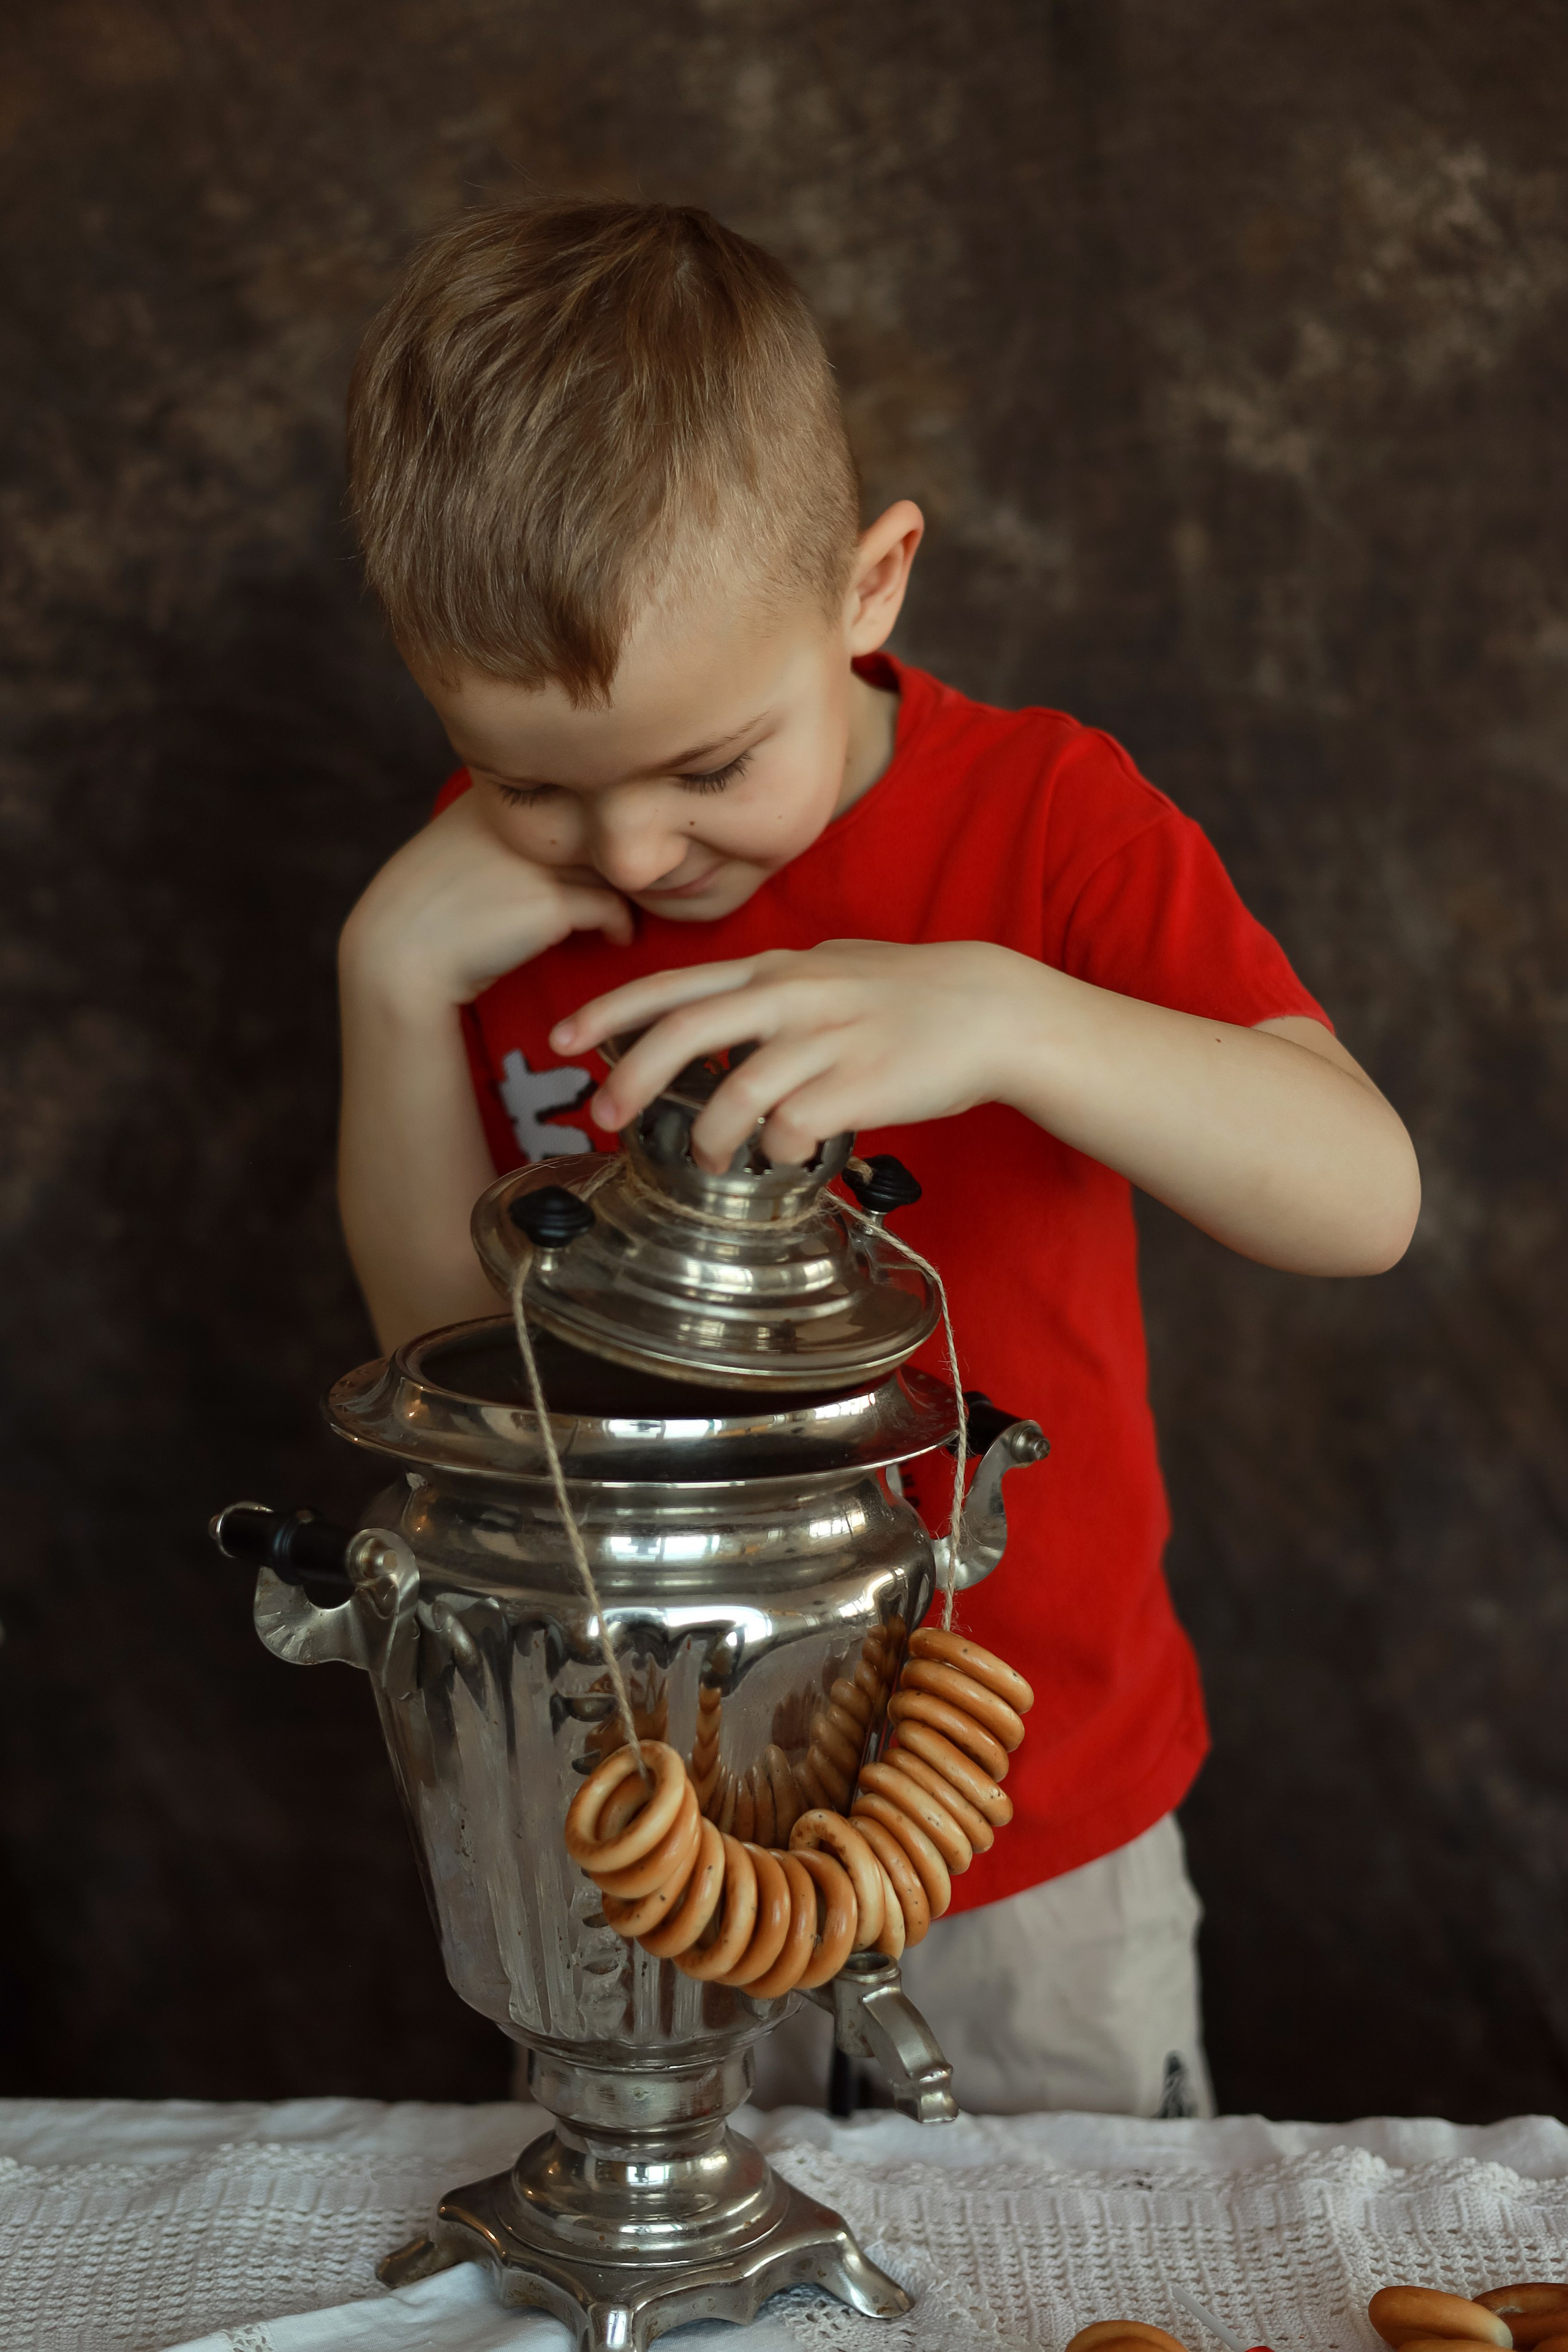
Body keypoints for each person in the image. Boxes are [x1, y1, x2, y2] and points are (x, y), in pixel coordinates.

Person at [336, 198, 1420, 2119]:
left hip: (1030, 1823)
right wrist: (389, 988)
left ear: (871, 586)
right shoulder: (483, 890)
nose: (634, 857)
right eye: (533, 781)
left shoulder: (1045, 817)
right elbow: (456, 1371)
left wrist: (1018, 1017)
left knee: (1068, 2251)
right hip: (655, 1831)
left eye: (710, 769)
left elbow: (1366, 1198)